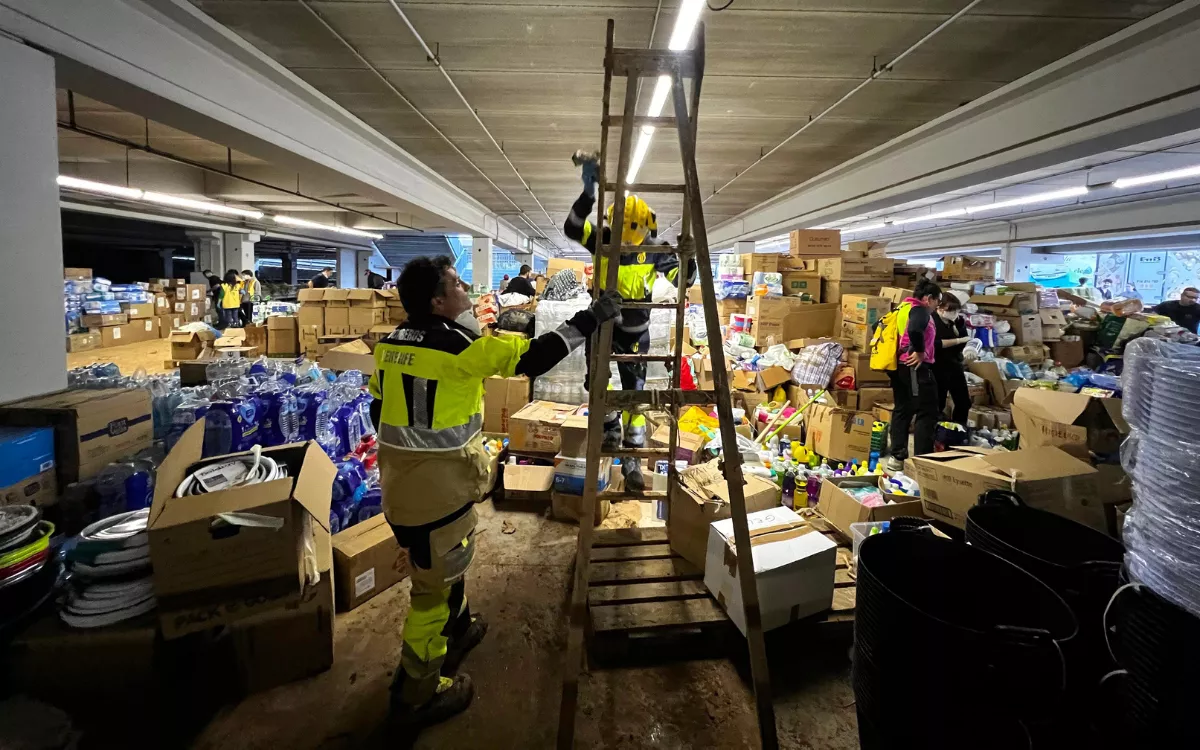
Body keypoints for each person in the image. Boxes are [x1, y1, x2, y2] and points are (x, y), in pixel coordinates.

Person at [369, 255, 620, 731]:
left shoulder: (389, 345)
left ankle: (458, 629)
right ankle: (415, 694)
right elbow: (534, 356)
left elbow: (378, 409)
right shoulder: (461, 346)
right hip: (437, 493)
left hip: (400, 487)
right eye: (457, 285)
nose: (466, 292)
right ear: (438, 301)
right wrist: (591, 317)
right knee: (430, 594)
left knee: (449, 562)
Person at [564, 149, 696, 491]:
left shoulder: (654, 248)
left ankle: (633, 462)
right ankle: (609, 431)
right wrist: (588, 192)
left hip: (637, 334)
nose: (623, 240)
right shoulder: (603, 240)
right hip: (602, 328)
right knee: (596, 385)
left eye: (630, 234)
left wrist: (688, 256)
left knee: (634, 398)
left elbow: (686, 280)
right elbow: (572, 227)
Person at [885, 279, 942, 472]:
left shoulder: (901, 308)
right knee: (927, 412)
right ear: (928, 299)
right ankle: (922, 462)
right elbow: (915, 329)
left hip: (899, 366)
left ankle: (897, 456)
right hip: (916, 368)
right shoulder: (919, 310)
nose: (937, 306)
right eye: (937, 301)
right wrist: (919, 351)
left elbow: (878, 325)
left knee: (902, 409)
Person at [932, 294, 973, 426]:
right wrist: (956, 341)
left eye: (956, 310)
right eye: (951, 310)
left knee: (964, 401)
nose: (954, 313)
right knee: (938, 403)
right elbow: (933, 344)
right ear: (940, 307)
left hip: (954, 364)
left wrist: (970, 349)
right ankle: (937, 434)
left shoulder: (958, 321)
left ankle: (959, 428)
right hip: (937, 366)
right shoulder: (931, 321)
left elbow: (965, 340)